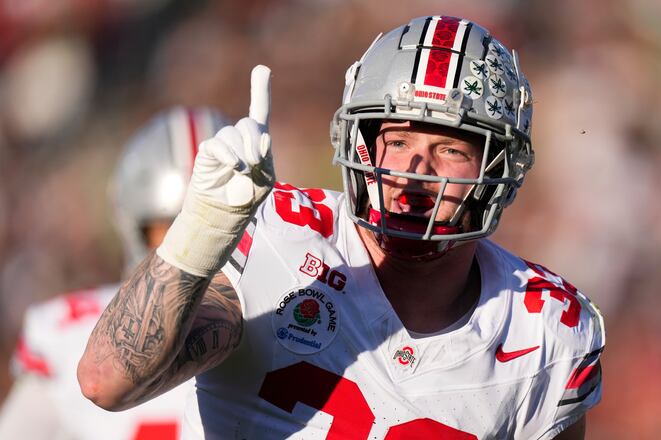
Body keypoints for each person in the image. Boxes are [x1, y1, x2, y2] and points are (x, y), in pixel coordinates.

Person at [78, 16, 605, 439]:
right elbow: (107, 380)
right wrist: (200, 231)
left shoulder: (545, 331)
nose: (413, 172)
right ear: (359, 142)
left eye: (448, 149)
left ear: (497, 170)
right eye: (397, 141)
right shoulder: (278, 235)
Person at [0, 107, 228, 439]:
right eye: (174, 231)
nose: (198, 253)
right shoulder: (70, 339)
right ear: (134, 227)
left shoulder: (289, 313)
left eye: (223, 230)